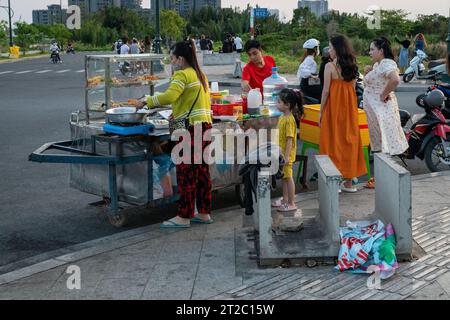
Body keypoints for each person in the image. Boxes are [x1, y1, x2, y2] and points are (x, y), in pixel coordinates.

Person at [136, 40, 213, 228]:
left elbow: (169, 96)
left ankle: (184, 216)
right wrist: (177, 111)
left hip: (189, 129)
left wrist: (147, 100)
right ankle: (203, 213)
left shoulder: (182, 75)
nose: (171, 61)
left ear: (180, 58)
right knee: (202, 172)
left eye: (172, 58)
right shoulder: (200, 74)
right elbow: (195, 101)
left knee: (186, 172)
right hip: (205, 126)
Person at [319, 34, 367, 193]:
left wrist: (321, 111)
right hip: (349, 109)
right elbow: (352, 90)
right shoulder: (352, 65)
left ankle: (335, 181)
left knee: (332, 142)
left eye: (331, 48)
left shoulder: (329, 67)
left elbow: (326, 91)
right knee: (349, 142)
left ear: (337, 49)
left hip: (334, 109)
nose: (329, 51)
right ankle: (348, 183)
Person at [363, 37, 408, 189]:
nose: (369, 52)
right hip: (376, 113)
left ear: (381, 51)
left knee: (384, 145)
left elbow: (395, 80)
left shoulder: (388, 63)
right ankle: (381, 178)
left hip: (382, 112)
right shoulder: (379, 64)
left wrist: (383, 95)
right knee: (379, 144)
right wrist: (369, 71)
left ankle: (384, 180)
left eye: (372, 49)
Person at [272, 88, 304, 212]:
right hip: (282, 153)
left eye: (279, 102)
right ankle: (285, 199)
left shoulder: (289, 120)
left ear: (287, 105)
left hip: (287, 155)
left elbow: (290, 139)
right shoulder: (282, 117)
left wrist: (286, 157)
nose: (276, 104)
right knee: (284, 177)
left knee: (288, 177)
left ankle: (291, 203)